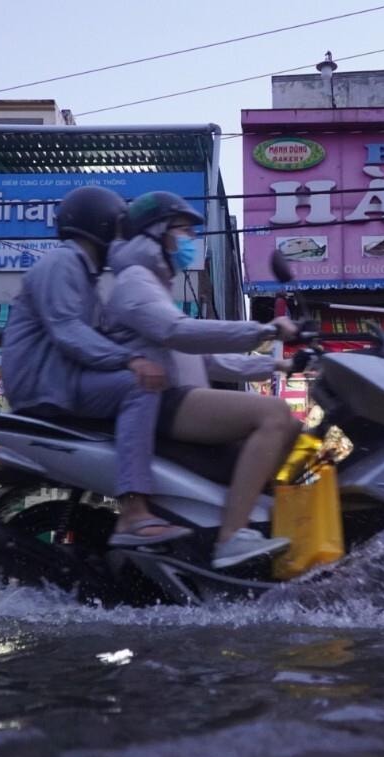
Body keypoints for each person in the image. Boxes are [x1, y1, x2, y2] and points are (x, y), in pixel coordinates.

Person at [102, 190, 303, 569]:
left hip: (182, 396)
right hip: (163, 400)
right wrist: (264, 331)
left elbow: (205, 360)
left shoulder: (155, 287)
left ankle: (239, 524)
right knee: (274, 414)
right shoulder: (134, 283)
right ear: (157, 233)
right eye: (183, 231)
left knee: (290, 427)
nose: (189, 241)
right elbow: (178, 332)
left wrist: (273, 367)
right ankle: (231, 537)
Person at [0, 185, 189, 547]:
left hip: (63, 380)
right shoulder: (62, 263)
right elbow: (68, 332)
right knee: (138, 387)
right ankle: (134, 513)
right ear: (102, 227)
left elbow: (103, 335)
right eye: (119, 231)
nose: (123, 241)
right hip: (48, 386)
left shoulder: (90, 279)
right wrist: (132, 361)